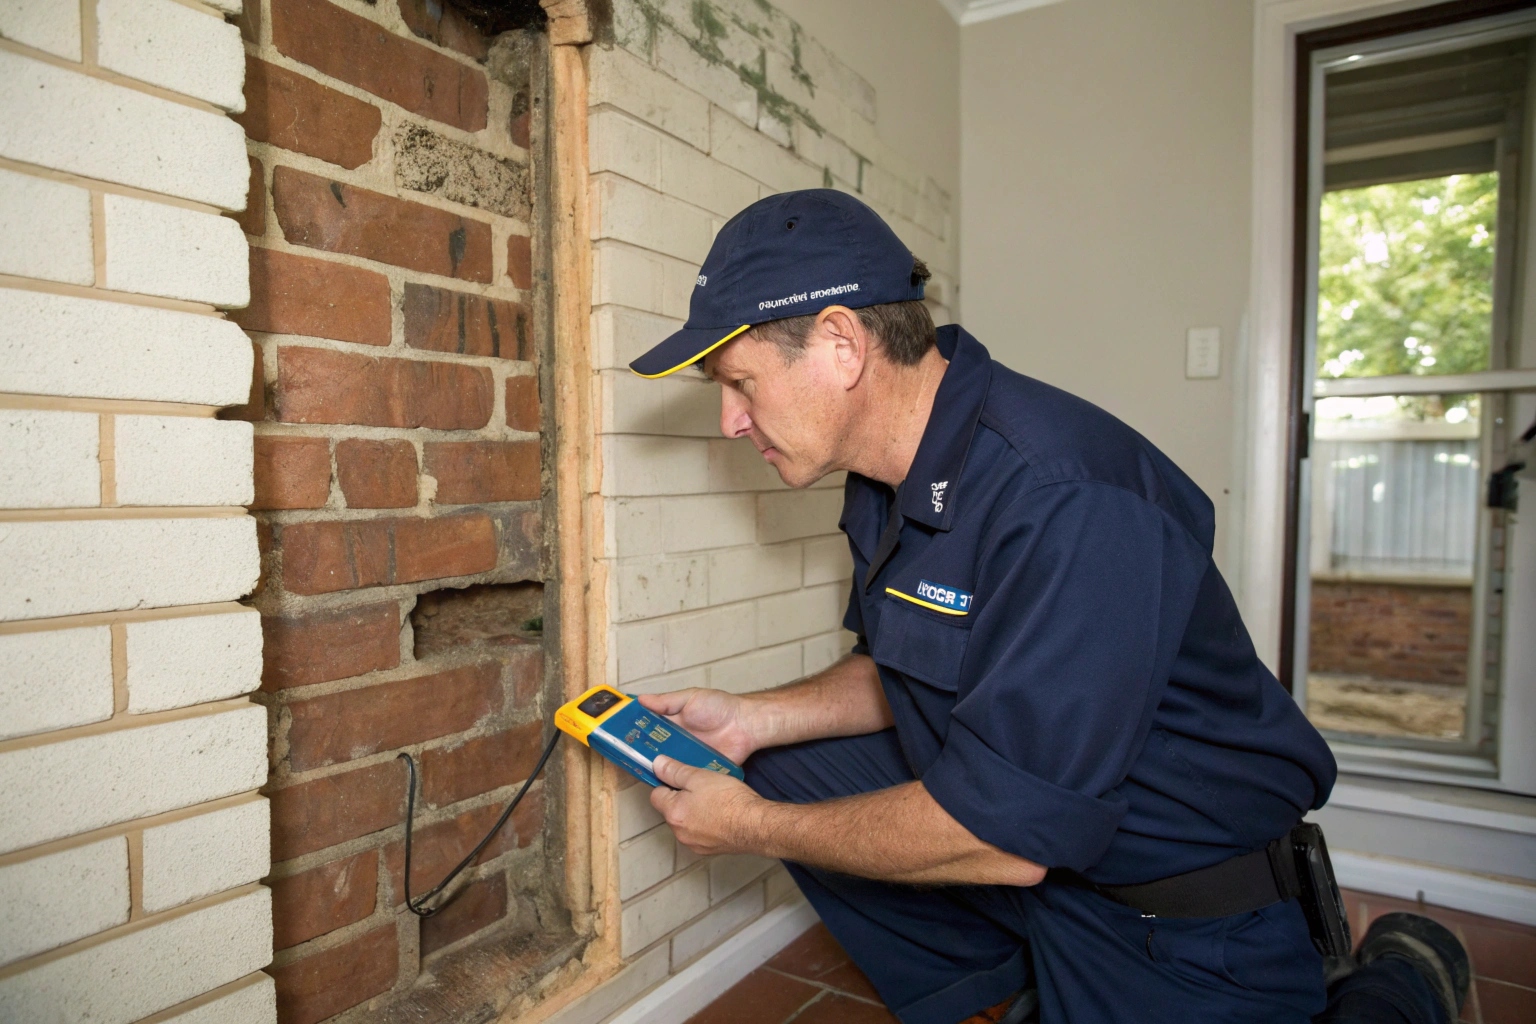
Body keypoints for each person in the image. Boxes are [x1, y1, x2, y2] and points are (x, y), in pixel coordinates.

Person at [626, 189, 1469, 1024]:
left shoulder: (1065, 498)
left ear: (841, 343)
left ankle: (1409, 972)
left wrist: (754, 829)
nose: (732, 420)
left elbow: (1008, 836)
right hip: (1051, 867)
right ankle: (1019, 985)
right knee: (783, 764)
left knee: (788, 810)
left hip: (1183, 913)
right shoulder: (890, 481)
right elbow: (903, 666)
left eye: (738, 382)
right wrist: (754, 721)